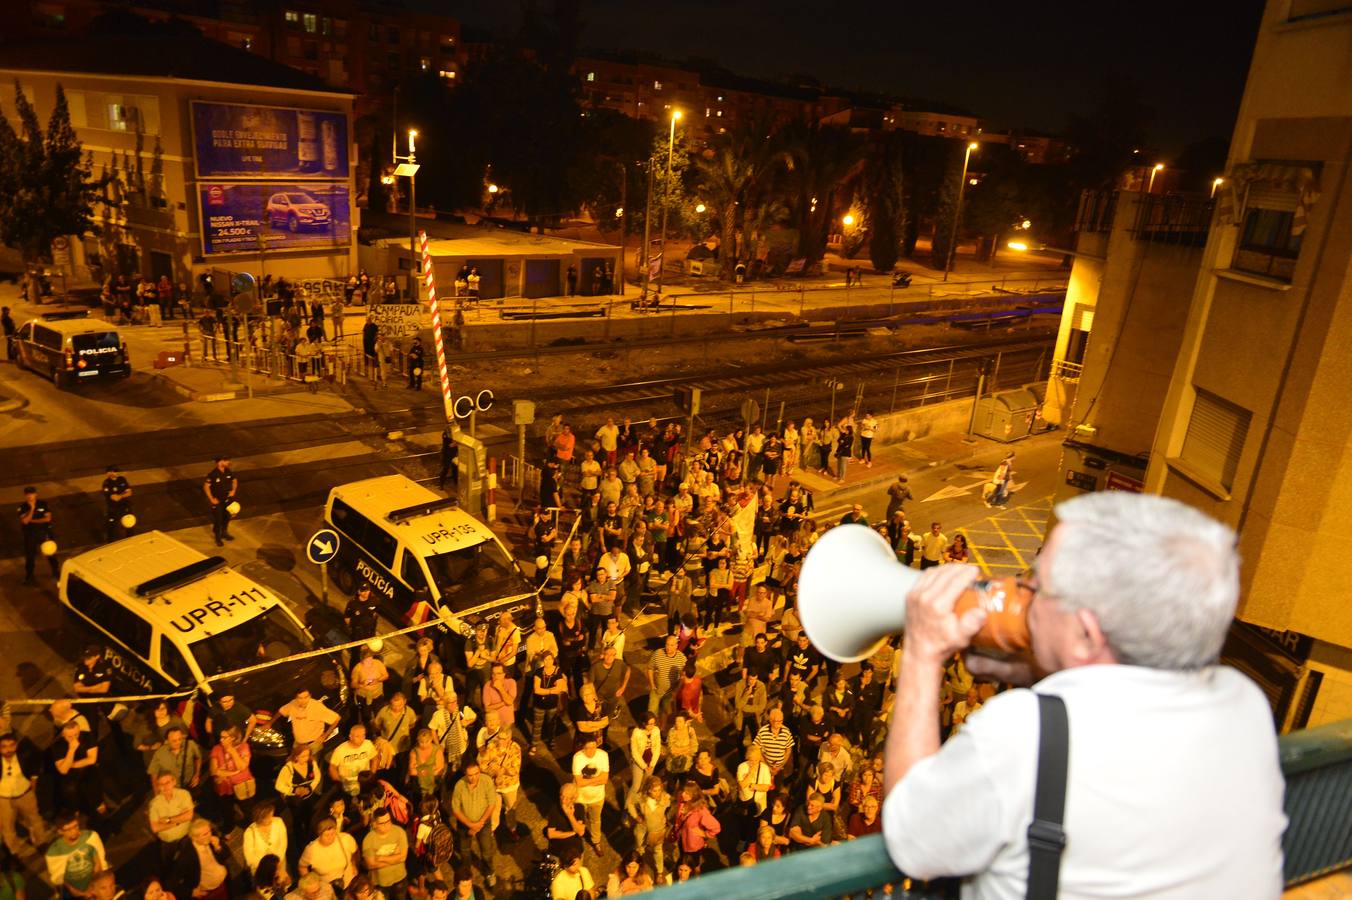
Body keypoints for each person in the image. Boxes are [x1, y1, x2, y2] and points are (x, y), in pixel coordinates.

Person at [881, 491, 1286, 897]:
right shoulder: (1244, 700)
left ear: (1087, 635)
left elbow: (909, 837)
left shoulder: (1020, 732)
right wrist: (1048, 669)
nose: (1021, 589)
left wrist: (922, 651)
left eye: (1037, 586)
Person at [448, 758, 498, 887]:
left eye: (476, 773)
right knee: (465, 852)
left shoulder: (486, 781)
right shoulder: (459, 785)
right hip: (465, 825)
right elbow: (456, 809)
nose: (474, 777)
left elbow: (492, 804)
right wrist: (471, 825)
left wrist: (479, 823)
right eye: (470, 775)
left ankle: (489, 872)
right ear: (465, 774)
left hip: (484, 823)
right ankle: (466, 875)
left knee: (486, 851)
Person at [44, 813, 106, 900]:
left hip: (95, 885)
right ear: (60, 831)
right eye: (68, 829)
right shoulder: (54, 852)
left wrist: (94, 886)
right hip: (73, 893)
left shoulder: (91, 837)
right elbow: (59, 877)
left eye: (75, 826)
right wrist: (75, 891)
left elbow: (100, 861)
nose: (74, 831)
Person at [362, 808, 409, 900]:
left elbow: (403, 857)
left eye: (388, 821)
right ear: (374, 824)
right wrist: (395, 858)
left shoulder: (399, 832)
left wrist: (382, 858)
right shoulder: (368, 840)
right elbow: (370, 865)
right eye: (382, 823)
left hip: (400, 879)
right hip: (379, 883)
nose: (387, 825)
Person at [18, 487, 58, 586]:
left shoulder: (43, 504)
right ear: (25, 495)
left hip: (44, 533)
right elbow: (24, 521)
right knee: (30, 556)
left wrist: (32, 521)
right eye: (27, 494)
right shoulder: (22, 507)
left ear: (36, 494)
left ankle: (56, 572)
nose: (30, 496)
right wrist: (31, 509)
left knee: (50, 553)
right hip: (30, 535)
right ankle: (29, 577)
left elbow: (47, 519)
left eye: (31, 493)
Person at [202, 458, 237, 548]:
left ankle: (224, 533)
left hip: (227, 500)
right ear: (220, 462)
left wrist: (233, 490)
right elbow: (206, 487)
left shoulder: (228, 471)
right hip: (218, 501)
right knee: (218, 519)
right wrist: (211, 499)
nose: (229, 462)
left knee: (227, 517)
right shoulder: (213, 474)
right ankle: (218, 538)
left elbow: (234, 480)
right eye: (226, 460)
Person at [100, 466, 134, 543]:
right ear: (107, 473)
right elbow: (114, 498)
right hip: (113, 508)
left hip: (125, 505)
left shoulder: (122, 479)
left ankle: (131, 540)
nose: (113, 473)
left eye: (115, 471)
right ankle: (110, 542)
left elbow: (130, 493)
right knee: (112, 525)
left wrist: (120, 495)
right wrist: (123, 494)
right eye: (111, 471)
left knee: (129, 522)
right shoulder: (106, 483)